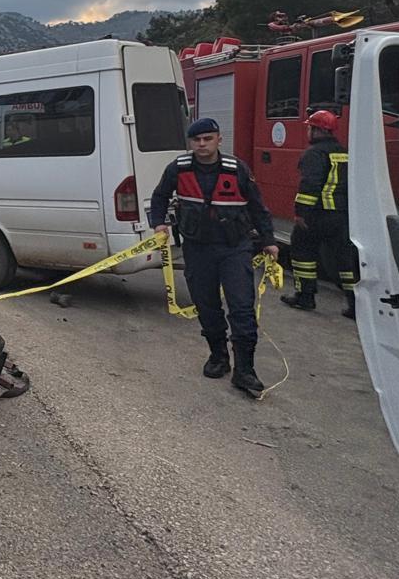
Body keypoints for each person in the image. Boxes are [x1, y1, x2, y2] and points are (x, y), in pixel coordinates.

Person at [148, 117, 279, 395]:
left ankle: (245, 371)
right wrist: (158, 223)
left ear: (219, 139)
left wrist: (269, 240)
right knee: (206, 306)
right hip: (198, 248)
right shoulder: (178, 168)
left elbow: (258, 207)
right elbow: (159, 196)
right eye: (197, 140)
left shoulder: (237, 169)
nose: (202, 144)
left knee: (242, 307)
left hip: (235, 247)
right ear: (190, 142)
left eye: (208, 138)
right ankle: (219, 356)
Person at [281, 109, 359, 318]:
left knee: (302, 250)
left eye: (310, 127)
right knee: (344, 260)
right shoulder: (343, 151)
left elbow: (310, 184)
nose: (308, 131)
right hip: (341, 215)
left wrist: (301, 213)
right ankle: (356, 304)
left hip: (318, 213)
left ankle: (305, 296)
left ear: (316, 130)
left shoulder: (314, 153)